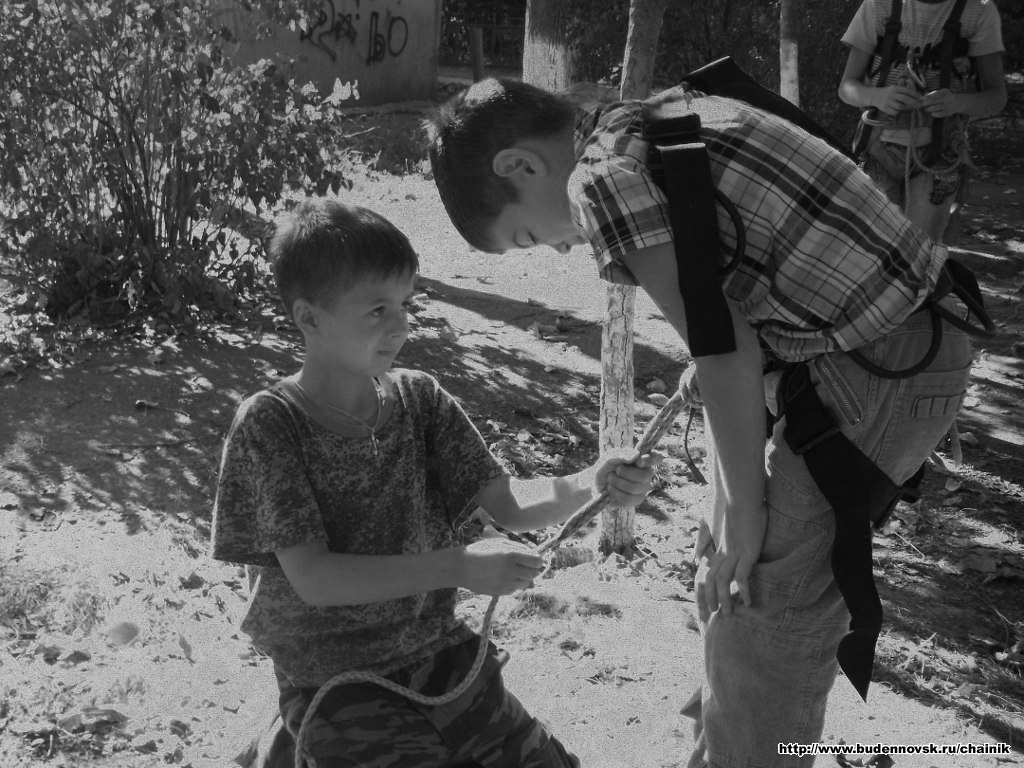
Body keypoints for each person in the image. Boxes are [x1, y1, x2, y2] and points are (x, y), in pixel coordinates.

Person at [425, 77, 976, 766]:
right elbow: (728, 333)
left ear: (520, 165)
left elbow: (723, 349)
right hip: (891, 351)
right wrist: (724, 513)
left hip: (880, 363)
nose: (557, 250)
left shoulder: (601, 178)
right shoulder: (649, 121)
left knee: (766, 612)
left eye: (529, 236)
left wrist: (745, 509)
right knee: (725, 580)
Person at [210, 197, 661, 768]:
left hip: (440, 656)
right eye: (377, 310)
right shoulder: (271, 423)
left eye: (405, 304)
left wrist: (591, 484)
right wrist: (458, 566)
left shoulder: (419, 398)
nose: (401, 325)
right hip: (332, 677)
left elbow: (507, 504)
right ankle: (286, 742)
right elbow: (316, 579)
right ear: (310, 318)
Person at [838, 0, 1007, 243]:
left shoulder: (979, 11)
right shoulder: (878, 6)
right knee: (870, 248)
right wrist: (877, 97)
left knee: (918, 252)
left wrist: (957, 102)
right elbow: (846, 87)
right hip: (877, 156)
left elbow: (996, 96)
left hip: (941, 159)